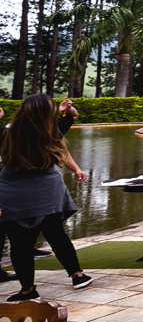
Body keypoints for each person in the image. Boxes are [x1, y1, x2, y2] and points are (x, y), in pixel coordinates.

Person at [0, 94, 93, 299]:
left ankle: (28, 290)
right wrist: (64, 110)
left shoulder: (7, 132)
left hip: (14, 191)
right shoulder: (53, 131)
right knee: (56, 233)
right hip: (47, 189)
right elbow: (73, 116)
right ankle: (78, 275)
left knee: (19, 243)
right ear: (48, 113)